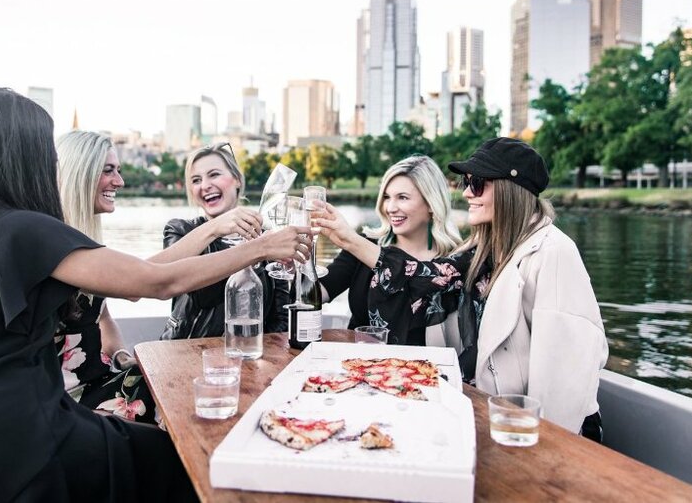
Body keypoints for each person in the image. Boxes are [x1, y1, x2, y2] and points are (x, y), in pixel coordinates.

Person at [0, 86, 310, 501]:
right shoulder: (21, 230)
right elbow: (154, 282)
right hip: (28, 448)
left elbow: (144, 273)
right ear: (18, 156)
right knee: (188, 464)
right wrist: (260, 248)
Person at [316, 138, 608, 440]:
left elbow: (564, 373)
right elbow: (428, 278)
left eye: (478, 183)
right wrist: (347, 239)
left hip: (542, 432)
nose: (467, 192)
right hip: (494, 413)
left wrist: (548, 446)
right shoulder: (483, 247)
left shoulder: (554, 252)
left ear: (510, 190)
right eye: (467, 182)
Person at [55, 130, 157, 423]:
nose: (120, 181)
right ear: (80, 174)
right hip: (66, 398)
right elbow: (153, 281)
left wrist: (120, 355)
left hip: (98, 379)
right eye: (108, 170)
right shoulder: (56, 246)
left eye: (119, 170)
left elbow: (102, 317)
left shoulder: (86, 241)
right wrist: (216, 230)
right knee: (167, 396)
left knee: (164, 379)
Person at [318, 155, 462, 346]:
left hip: (420, 371)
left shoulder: (453, 261)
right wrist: (296, 264)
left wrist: (349, 239)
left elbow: (411, 275)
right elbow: (318, 293)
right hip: (356, 366)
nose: (390, 208)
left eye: (402, 197)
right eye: (387, 197)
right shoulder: (366, 244)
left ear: (431, 204)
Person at [160, 143, 291, 340]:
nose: (204, 185)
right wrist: (252, 253)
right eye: (196, 180)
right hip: (187, 352)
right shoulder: (180, 231)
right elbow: (203, 294)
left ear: (237, 180)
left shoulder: (267, 239)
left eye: (214, 175)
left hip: (250, 355)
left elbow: (280, 318)